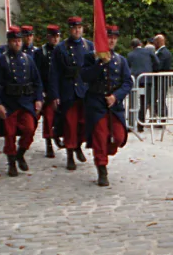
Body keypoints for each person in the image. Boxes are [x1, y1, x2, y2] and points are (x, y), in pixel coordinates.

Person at [81, 25, 133, 186]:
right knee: (100, 136)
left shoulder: (121, 60)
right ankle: (101, 167)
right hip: (96, 102)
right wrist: (100, 63)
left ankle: (105, 153)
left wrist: (116, 97)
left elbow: (127, 82)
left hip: (114, 105)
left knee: (118, 137)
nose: (111, 40)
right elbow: (85, 76)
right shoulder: (91, 57)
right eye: (108, 37)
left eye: (114, 38)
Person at [0, 26, 44, 177]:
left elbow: (37, 82)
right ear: (9, 42)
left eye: (19, 40)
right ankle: (12, 161)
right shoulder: (1, 61)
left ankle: (21, 153)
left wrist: (39, 99)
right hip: (9, 103)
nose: (17, 43)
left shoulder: (28, 59)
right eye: (14, 41)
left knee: (29, 129)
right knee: (9, 134)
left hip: (26, 101)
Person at [50, 16, 94, 170]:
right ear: (69, 29)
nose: (77, 30)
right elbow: (54, 73)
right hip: (68, 90)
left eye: (80, 28)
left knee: (84, 124)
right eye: (74, 28)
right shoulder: (60, 48)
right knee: (70, 125)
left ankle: (78, 146)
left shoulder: (89, 46)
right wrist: (55, 95)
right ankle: (69, 154)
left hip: (85, 91)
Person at [38, 24, 61, 158]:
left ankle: (58, 136)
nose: (55, 39)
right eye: (53, 37)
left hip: (61, 90)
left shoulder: (63, 50)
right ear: (48, 37)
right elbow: (38, 73)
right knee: (48, 118)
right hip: (47, 90)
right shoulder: (41, 52)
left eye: (57, 36)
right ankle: (48, 143)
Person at [127, 38, 160, 132]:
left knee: (132, 102)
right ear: (140, 44)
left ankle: (130, 124)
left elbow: (128, 66)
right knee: (144, 102)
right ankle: (140, 125)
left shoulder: (130, 54)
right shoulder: (148, 52)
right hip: (147, 79)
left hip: (135, 80)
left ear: (132, 46)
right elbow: (157, 62)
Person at [153, 34, 173, 122]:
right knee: (159, 99)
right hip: (162, 80)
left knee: (160, 99)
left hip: (161, 80)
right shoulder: (164, 52)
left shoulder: (162, 53)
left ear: (159, 42)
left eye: (155, 42)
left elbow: (159, 66)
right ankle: (161, 117)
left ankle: (162, 118)